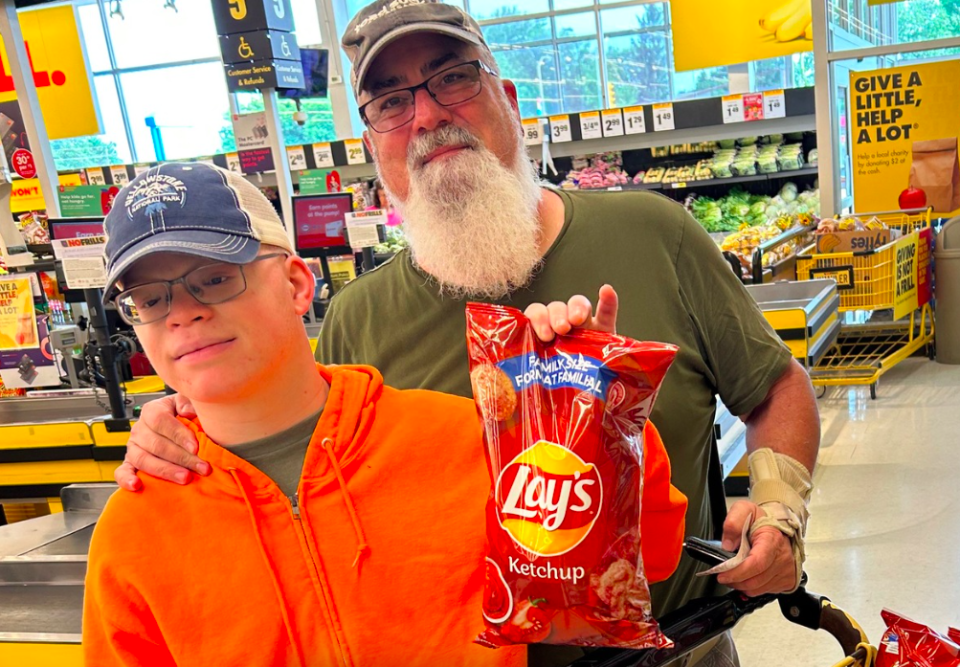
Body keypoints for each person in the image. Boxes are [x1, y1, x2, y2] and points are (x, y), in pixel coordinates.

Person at [116, 0, 820, 664]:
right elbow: (301, 480)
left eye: (451, 79)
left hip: (674, 650)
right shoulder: (358, 319)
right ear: (374, 145)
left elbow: (774, 384)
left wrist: (780, 510)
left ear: (507, 100)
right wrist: (184, 423)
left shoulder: (654, 233)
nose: (425, 116)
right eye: (391, 101)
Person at [82, 162, 688, 666]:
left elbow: (648, 559)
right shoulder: (136, 532)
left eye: (214, 278)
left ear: (296, 283)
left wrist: (598, 429)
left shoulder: (462, 441)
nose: (182, 313)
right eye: (150, 299)